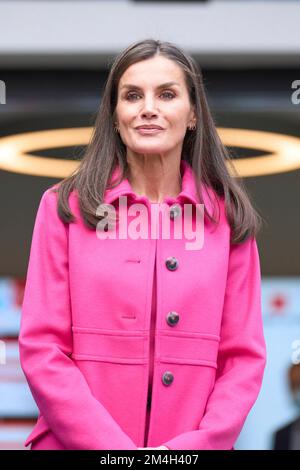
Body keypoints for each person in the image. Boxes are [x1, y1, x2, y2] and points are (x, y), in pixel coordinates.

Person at [18, 38, 267, 450]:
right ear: (115, 116)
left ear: (192, 115)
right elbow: (43, 349)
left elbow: (242, 361)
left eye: (167, 94)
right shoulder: (64, 208)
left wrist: (189, 449)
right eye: (132, 96)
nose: (148, 108)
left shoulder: (228, 220)